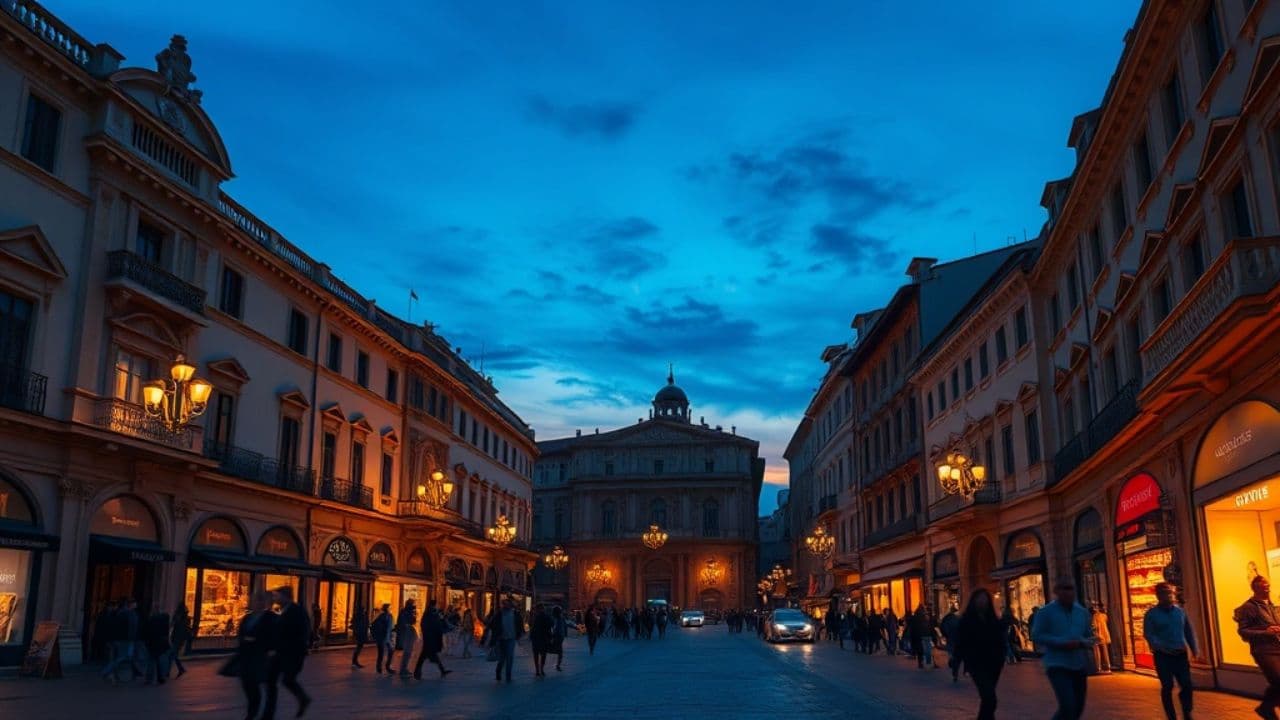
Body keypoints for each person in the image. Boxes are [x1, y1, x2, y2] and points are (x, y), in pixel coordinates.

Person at [1031, 579, 1096, 720]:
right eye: (1064, 588)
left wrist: (1085, 642)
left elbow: (1087, 634)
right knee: (1067, 706)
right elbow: (1036, 635)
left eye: (1070, 588)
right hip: (1057, 664)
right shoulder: (1045, 612)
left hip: (1078, 664)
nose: (1068, 592)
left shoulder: (1082, 613)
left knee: (1078, 707)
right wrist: (1060, 643)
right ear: (1056, 592)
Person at [1143, 583, 1196, 720]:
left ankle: (1187, 711)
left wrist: (1194, 649)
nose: (1169, 595)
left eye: (1170, 592)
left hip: (1180, 654)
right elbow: (1149, 634)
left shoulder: (1180, 612)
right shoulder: (1151, 614)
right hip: (1163, 656)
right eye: (1165, 593)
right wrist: (1159, 646)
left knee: (1186, 684)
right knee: (1167, 685)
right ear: (1158, 595)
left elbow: (1188, 631)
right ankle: (1171, 716)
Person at [954, 589, 1006, 720]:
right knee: (990, 698)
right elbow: (960, 642)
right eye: (979, 598)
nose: (982, 601)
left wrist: (1001, 657)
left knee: (987, 698)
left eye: (984, 598)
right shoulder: (966, 621)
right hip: (976, 664)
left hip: (994, 663)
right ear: (974, 601)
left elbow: (1001, 639)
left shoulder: (994, 620)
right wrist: (957, 659)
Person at [1235, 574, 1280, 719]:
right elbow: (1243, 631)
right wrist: (1265, 632)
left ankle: (1266, 707)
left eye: (1268, 585)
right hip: (1263, 651)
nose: (1268, 588)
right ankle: (1266, 708)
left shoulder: (1271, 606)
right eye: (1264, 586)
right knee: (1278, 680)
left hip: (1277, 648)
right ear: (1255, 588)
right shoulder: (1249, 607)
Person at [263, 585, 311, 720]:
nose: (275, 598)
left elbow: (302, 632)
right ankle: (268, 714)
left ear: (285, 597)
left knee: (287, 680)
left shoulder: (297, 611)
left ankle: (303, 699)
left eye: (277, 595)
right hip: (279, 654)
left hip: (292, 654)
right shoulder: (281, 610)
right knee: (272, 681)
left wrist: (299, 649)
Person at [236, 591, 277, 720]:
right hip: (247, 658)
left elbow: (275, 637)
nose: (257, 604)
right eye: (255, 601)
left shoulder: (271, 618)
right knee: (249, 685)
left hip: (263, 658)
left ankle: (261, 714)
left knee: (267, 687)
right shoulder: (247, 618)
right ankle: (253, 711)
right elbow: (241, 635)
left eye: (260, 601)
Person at [101, 597, 142, 684]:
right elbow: (130, 627)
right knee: (122, 657)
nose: (136, 604)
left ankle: (135, 673)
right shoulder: (127, 613)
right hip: (125, 639)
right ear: (131, 604)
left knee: (128, 657)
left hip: (124, 639)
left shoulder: (126, 613)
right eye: (134, 603)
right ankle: (106, 671)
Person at [488, 597, 525, 682]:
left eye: (507, 604)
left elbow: (520, 624)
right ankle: (498, 671)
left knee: (509, 657)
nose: (506, 605)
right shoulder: (499, 614)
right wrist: (495, 634)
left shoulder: (515, 614)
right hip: (501, 638)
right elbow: (491, 624)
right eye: (504, 604)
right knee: (502, 657)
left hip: (511, 638)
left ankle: (508, 675)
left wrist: (520, 634)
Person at [414, 599, 452, 679]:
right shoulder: (430, 613)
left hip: (430, 637)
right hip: (430, 637)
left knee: (426, 655)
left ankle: (441, 670)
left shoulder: (431, 613)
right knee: (425, 655)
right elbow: (433, 624)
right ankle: (417, 672)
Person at [142, 606, 172, 685]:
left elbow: (146, 632)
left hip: (152, 643)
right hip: (161, 643)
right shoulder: (163, 620)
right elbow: (166, 632)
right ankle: (161, 678)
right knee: (161, 662)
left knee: (151, 662)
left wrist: (146, 642)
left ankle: (149, 679)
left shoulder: (150, 620)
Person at [396, 599, 419, 679]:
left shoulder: (404, 611)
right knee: (407, 652)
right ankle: (403, 669)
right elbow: (411, 621)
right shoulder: (407, 612)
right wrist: (413, 614)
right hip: (407, 632)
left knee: (408, 652)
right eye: (413, 603)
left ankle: (404, 668)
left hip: (406, 632)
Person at [530, 603, 552, 677]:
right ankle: (541, 669)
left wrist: (531, 636)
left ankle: (537, 670)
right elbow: (551, 624)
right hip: (544, 638)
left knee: (536, 654)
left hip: (536, 638)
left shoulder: (535, 617)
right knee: (543, 655)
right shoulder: (546, 616)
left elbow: (532, 627)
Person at [371, 603, 394, 674]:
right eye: (390, 608)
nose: (391, 609)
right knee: (383, 653)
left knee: (388, 652)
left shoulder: (385, 616)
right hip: (383, 637)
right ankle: (382, 668)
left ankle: (383, 667)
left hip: (385, 637)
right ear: (387, 609)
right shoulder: (385, 616)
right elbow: (388, 627)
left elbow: (390, 627)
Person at [940, 605, 961, 681]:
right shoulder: (958, 619)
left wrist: (945, 635)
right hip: (958, 640)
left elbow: (942, 627)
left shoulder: (946, 619)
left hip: (950, 639)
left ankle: (952, 662)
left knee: (952, 653)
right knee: (957, 656)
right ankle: (955, 672)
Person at [170, 603, 191, 678]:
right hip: (181, 638)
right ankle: (179, 669)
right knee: (173, 654)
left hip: (176, 637)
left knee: (173, 654)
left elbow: (172, 625)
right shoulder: (187, 618)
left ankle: (180, 669)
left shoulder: (177, 616)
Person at [1091, 603, 1113, 674]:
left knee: (1097, 652)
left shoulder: (1095, 616)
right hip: (1104, 635)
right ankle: (1107, 666)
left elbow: (1094, 626)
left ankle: (1099, 667)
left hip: (1098, 635)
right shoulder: (1104, 616)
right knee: (1104, 651)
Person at [349, 602, 368, 669]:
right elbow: (363, 625)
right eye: (364, 609)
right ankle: (355, 661)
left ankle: (355, 661)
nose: (365, 610)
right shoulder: (362, 616)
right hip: (361, 633)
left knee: (359, 647)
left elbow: (353, 622)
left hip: (359, 633)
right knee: (359, 647)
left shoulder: (358, 615)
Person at [551, 606, 567, 671]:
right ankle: (558, 665)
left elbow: (558, 627)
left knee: (558, 650)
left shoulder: (558, 619)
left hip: (559, 636)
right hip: (559, 636)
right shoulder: (558, 619)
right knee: (559, 651)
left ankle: (558, 665)